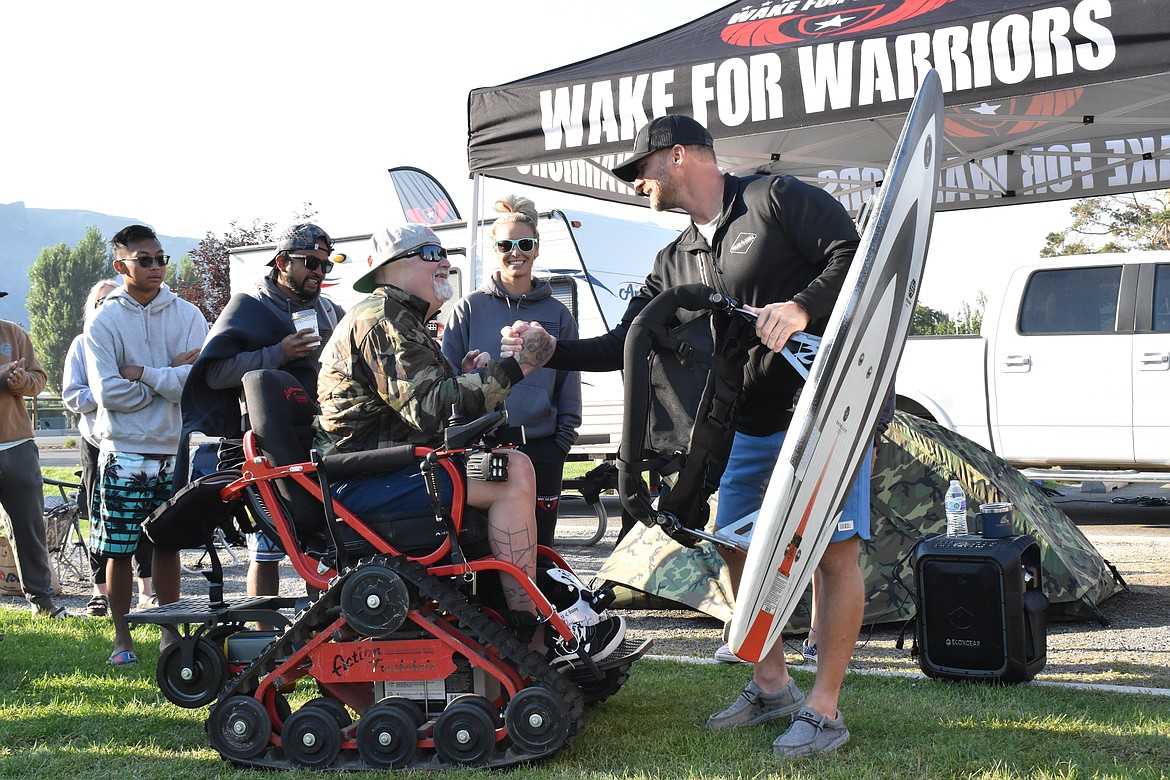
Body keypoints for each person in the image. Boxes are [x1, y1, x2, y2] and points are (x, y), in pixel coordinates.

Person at [502, 114, 864, 756]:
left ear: (674, 158)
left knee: (834, 556)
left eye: (638, 170)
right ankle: (772, 683)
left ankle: (826, 710)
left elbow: (854, 255)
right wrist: (551, 352)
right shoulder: (674, 259)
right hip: (742, 424)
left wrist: (802, 305)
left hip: (827, 408)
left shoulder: (772, 199)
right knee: (725, 538)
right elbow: (629, 340)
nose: (635, 184)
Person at [313, 222, 624, 664]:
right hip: (361, 486)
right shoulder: (382, 319)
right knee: (512, 472)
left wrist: (463, 373)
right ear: (392, 267)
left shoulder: (402, 320)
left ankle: (524, 616)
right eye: (429, 252)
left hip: (381, 475)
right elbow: (429, 408)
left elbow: (422, 403)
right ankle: (530, 633)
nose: (444, 261)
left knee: (507, 464)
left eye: (442, 250)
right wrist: (517, 368)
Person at [178, 222, 344, 604]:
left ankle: (318, 632)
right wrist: (279, 353)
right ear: (283, 261)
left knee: (322, 547)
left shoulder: (330, 311)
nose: (318, 272)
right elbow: (215, 372)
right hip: (266, 445)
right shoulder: (248, 305)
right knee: (267, 548)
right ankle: (262, 637)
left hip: (321, 440)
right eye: (310, 263)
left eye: (325, 265)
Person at [86, 225, 207, 665]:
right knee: (117, 548)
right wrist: (168, 374)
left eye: (161, 259)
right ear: (121, 266)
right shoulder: (104, 321)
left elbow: (197, 383)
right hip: (123, 451)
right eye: (145, 260)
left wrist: (145, 373)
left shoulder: (190, 316)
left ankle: (169, 635)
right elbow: (108, 394)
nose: (156, 267)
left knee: (168, 544)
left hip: (175, 450)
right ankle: (122, 639)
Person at [442, 195, 581, 547]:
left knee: (541, 548)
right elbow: (445, 380)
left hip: (542, 448)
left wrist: (561, 442)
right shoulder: (469, 308)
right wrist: (465, 373)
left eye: (524, 243)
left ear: (536, 249)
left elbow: (569, 379)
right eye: (506, 244)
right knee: (485, 548)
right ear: (495, 249)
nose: (515, 252)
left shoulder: (557, 312)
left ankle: (537, 605)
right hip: (483, 448)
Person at [63, 278, 155, 617]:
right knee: (101, 522)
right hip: (96, 441)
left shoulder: (134, 343)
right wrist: (108, 399)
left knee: (146, 518)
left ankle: (147, 590)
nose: (107, 306)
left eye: (113, 300)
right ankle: (99, 591)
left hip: (136, 440)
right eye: (100, 301)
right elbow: (73, 394)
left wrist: (127, 391)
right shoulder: (81, 344)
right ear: (92, 307)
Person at [0, 317, 72, 619]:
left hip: (17, 444)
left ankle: (43, 602)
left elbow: (38, 379)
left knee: (29, 527)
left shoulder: (12, 332)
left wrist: (19, 382)